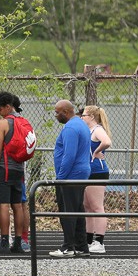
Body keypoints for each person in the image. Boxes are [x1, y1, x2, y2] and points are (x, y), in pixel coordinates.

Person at [49, 99, 92, 258]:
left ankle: (68, 247)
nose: (55, 115)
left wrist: (60, 178)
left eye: (57, 112)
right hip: (80, 173)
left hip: (71, 175)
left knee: (68, 211)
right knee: (77, 210)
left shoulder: (71, 128)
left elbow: (69, 155)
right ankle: (81, 246)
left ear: (65, 112)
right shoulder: (81, 124)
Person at [0, 91, 27, 253]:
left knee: (3, 205)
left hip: (4, 168)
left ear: (7, 107)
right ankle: (18, 241)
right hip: (19, 167)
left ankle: (4, 241)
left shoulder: (3, 123)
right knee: (17, 205)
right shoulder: (23, 121)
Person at [81, 105, 112, 254]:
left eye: (84, 115)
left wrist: (97, 151)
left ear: (92, 117)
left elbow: (106, 141)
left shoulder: (98, 130)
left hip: (97, 172)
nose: (82, 117)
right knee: (87, 206)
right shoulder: (89, 131)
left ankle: (99, 242)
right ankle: (88, 240)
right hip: (88, 172)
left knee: (97, 207)